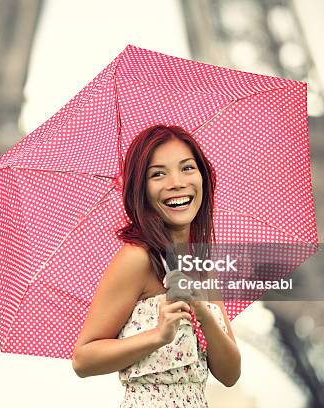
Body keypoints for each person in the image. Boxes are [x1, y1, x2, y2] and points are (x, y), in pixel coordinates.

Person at [71, 125, 241, 407]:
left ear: (203, 177)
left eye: (187, 168)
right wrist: (157, 336)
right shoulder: (137, 259)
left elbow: (230, 374)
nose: (176, 182)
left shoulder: (200, 263)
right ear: (142, 190)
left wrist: (204, 314)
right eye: (158, 174)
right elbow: (83, 359)